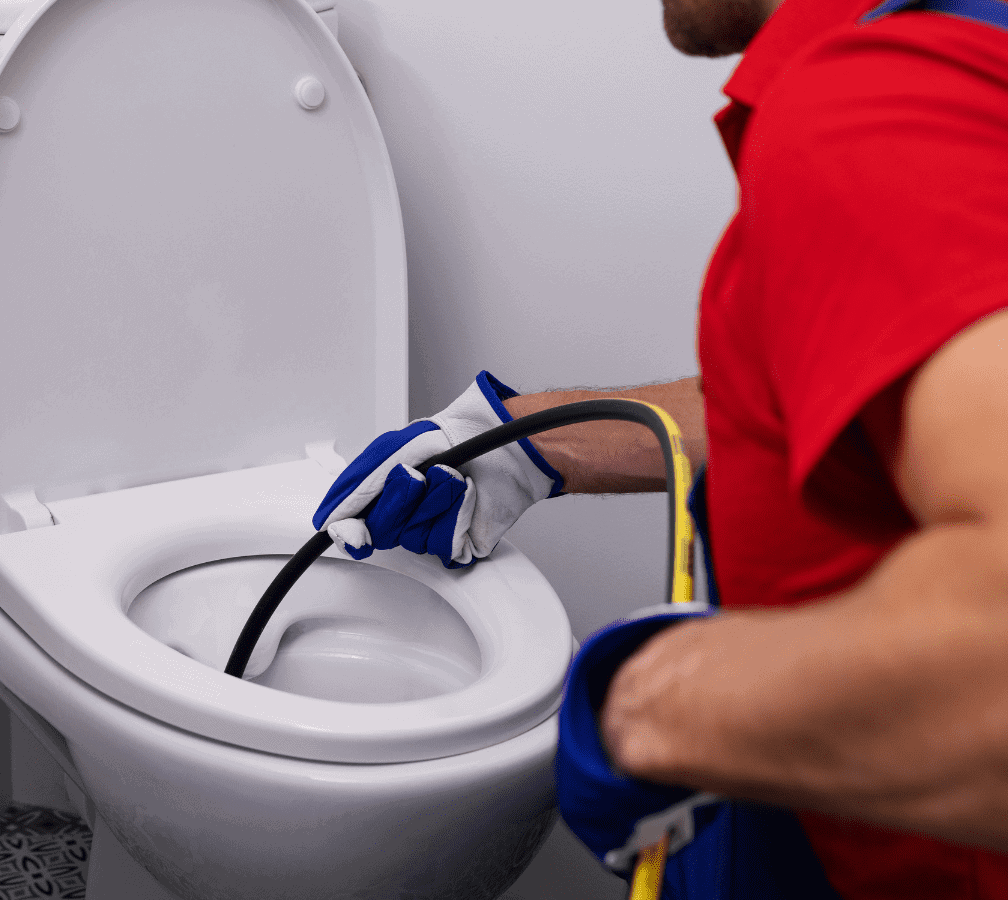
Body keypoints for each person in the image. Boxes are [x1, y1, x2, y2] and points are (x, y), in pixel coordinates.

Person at [310, 0, 1008, 894]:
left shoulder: (873, 116)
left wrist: (657, 710)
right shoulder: (963, 61)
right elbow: (855, 401)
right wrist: (528, 444)